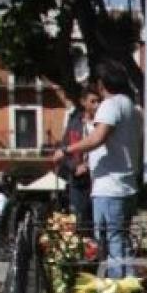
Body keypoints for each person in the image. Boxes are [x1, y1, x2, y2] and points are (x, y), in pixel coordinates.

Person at [53, 60, 142, 275]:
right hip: (125, 184)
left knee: (112, 245)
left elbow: (97, 138)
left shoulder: (110, 106)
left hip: (110, 186)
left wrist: (66, 149)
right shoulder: (132, 107)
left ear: (102, 84)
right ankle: (126, 290)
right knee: (120, 241)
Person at [57, 85, 94, 229]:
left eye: (98, 101)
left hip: (97, 178)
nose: (96, 105)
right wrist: (75, 167)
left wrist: (89, 166)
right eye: (92, 101)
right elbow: (64, 150)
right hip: (78, 181)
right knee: (79, 221)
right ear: (83, 102)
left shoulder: (102, 124)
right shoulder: (74, 123)